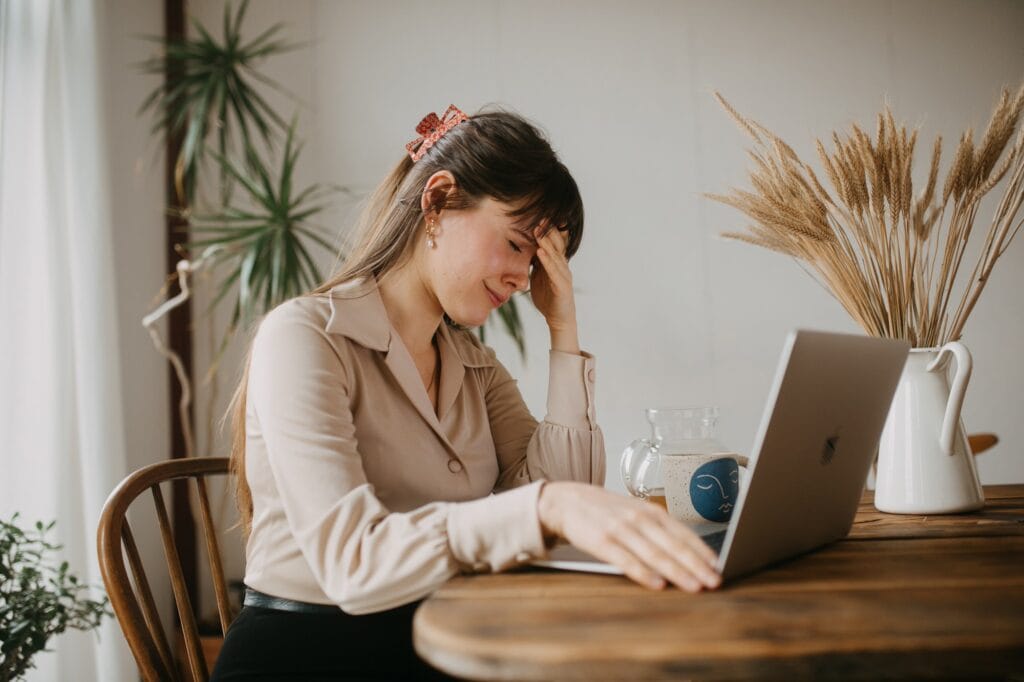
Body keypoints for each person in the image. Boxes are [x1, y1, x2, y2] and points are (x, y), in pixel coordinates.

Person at [210, 105, 721, 681]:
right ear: (438, 201)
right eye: (515, 244)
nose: (523, 279)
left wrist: (564, 329)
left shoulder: (475, 364)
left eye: (537, 260)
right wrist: (545, 508)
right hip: (309, 654)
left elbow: (567, 494)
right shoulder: (304, 337)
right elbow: (351, 564)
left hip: (449, 640)